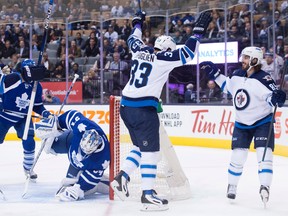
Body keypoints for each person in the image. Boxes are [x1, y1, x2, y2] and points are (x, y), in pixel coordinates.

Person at [110, 10, 212, 211]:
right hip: (142, 110)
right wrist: (197, 32)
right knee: (151, 152)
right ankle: (148, 195)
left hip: (126, 107)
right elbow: (188, 53)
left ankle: (122, 177)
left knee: (140, 148)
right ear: (167, 49)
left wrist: (138, 22)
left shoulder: (139, 51)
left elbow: (133, 38)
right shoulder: (163, 58)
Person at [199, 46, 286, 206]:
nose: (242, 60)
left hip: (262, 122)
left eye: (246, 57)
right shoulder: (237, 75)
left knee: (264, 155)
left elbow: (272, 98)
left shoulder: (264, 79)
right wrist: (216, 75)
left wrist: (277, 99)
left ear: (254, 60)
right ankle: (232, 185)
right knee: (238, 156)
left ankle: (265, 186)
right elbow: (227, 86)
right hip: (241, 123)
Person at [35, 110, 110, 201]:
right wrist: (56, 123)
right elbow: (72, 115)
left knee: (67, 188)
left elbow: (91, 179)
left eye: (87, 151)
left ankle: (99, 184)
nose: (82, 153)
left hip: (83, 166)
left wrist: (78, 188)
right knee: (50, 145)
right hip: (71, 142)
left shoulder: (102, 159)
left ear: (96, 148)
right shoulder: (83, 126)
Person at [0, 59, 51, 180]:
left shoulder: (37, 86)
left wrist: (45, 113)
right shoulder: (13, 78)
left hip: (23, 117)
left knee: (29, 140)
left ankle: (28, 168)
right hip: (4, 116)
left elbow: (37, 105)